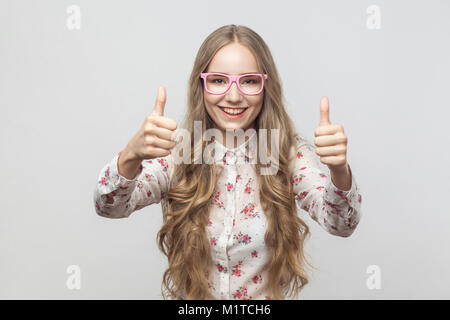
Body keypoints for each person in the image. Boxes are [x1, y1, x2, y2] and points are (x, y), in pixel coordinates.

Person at [93, 24, 362, 300]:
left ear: (265, 86)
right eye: (219, 80)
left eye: (249, 81)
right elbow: (109, 206)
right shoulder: (181, 152)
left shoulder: (285, 153)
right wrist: (132, 155)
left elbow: (341, 223)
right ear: (202, 85)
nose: (233, 96)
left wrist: (339, 170)